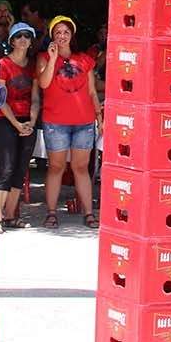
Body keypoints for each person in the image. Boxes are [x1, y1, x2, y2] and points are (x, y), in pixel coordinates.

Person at [37, 15, 100, 228]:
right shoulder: (44, 58)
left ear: (71, 35)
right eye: (58, 32)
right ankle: (52, 212)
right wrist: (53, 59)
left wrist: (99, 117)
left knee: (81, 167)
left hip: (83, 121)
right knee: (56, 167)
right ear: (52, 35)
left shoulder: (84, 59)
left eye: (66, 32)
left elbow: (92, 92)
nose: (62, 36)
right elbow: (44, 84)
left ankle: (88, 213)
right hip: (56, 121)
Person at [0, 22, 40, 230]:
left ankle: (11, 215)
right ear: (11, 41)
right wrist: (17, 124)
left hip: (28, 121)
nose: (23, 40)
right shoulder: (3, 64)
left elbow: (36, 97)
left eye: (27, 36)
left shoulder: (33, 66)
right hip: (6, 121)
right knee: (5, 168)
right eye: (18, 36)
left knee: (20, 169)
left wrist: (31, 122)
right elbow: (1, 99)